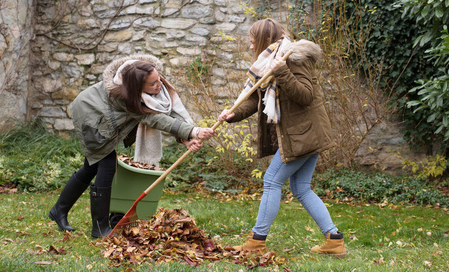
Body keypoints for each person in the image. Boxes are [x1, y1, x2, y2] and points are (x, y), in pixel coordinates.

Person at [218, 18, 347, 257]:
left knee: (271, 181)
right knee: (301, 188)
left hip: (304, 135)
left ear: (265, 40)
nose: (250, 47)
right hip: (304, 134)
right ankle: (334, 239)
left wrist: (282, 71)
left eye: (252, 41)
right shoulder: (268, 62)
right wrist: (232, 114)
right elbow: (256, 98)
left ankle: (257, 241)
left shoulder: (292, 59)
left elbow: (306, 96)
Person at [49, 54, 215, 239]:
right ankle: (99, 228)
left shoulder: (146, 77)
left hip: (100, 113)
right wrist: (193, 131)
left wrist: (187, 136)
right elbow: (156, 118)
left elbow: (168, 112)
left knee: (91, 167)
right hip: (91, 116)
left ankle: (59, 211)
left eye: (158, 79)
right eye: (153, 84)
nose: (159, 85)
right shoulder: (127, 97)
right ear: (138, 89)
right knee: (105, 163)